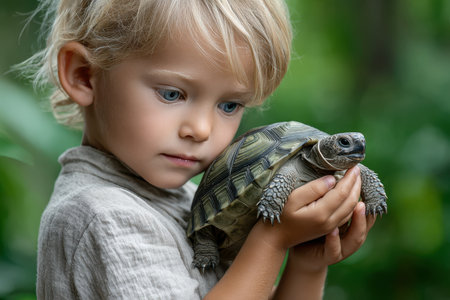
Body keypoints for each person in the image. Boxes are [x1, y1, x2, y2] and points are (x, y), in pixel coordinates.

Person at [19, 0, 376, 299]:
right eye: (172, 94)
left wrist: (306, 263)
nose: (202, 130)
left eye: (230, 105)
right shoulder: (104, 216)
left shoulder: (185, 200)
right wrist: (271, 240)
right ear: (84, 75)